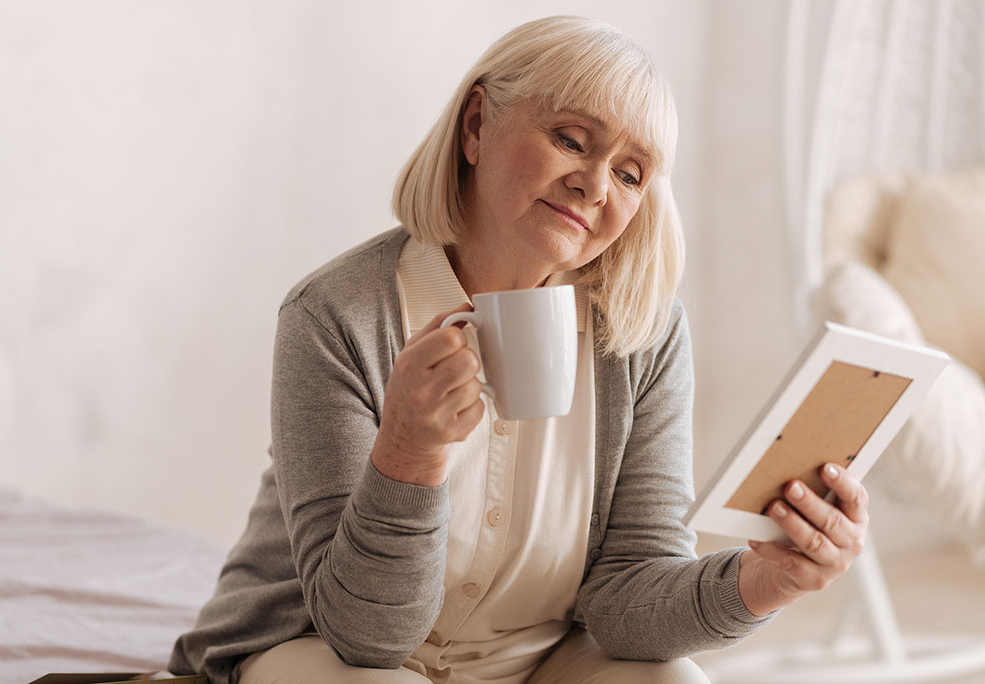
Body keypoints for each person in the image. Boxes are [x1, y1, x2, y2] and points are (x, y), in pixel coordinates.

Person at [168, 15, 870, 684]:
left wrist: (761, 583)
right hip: (321, 647)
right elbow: (364, 635)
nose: (595, 185)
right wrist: (409, 455)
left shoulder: (641, 336)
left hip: (537, 662)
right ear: (477, 126)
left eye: (630, 174)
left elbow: (628, 599)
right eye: (571, 139)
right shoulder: (335, 315)